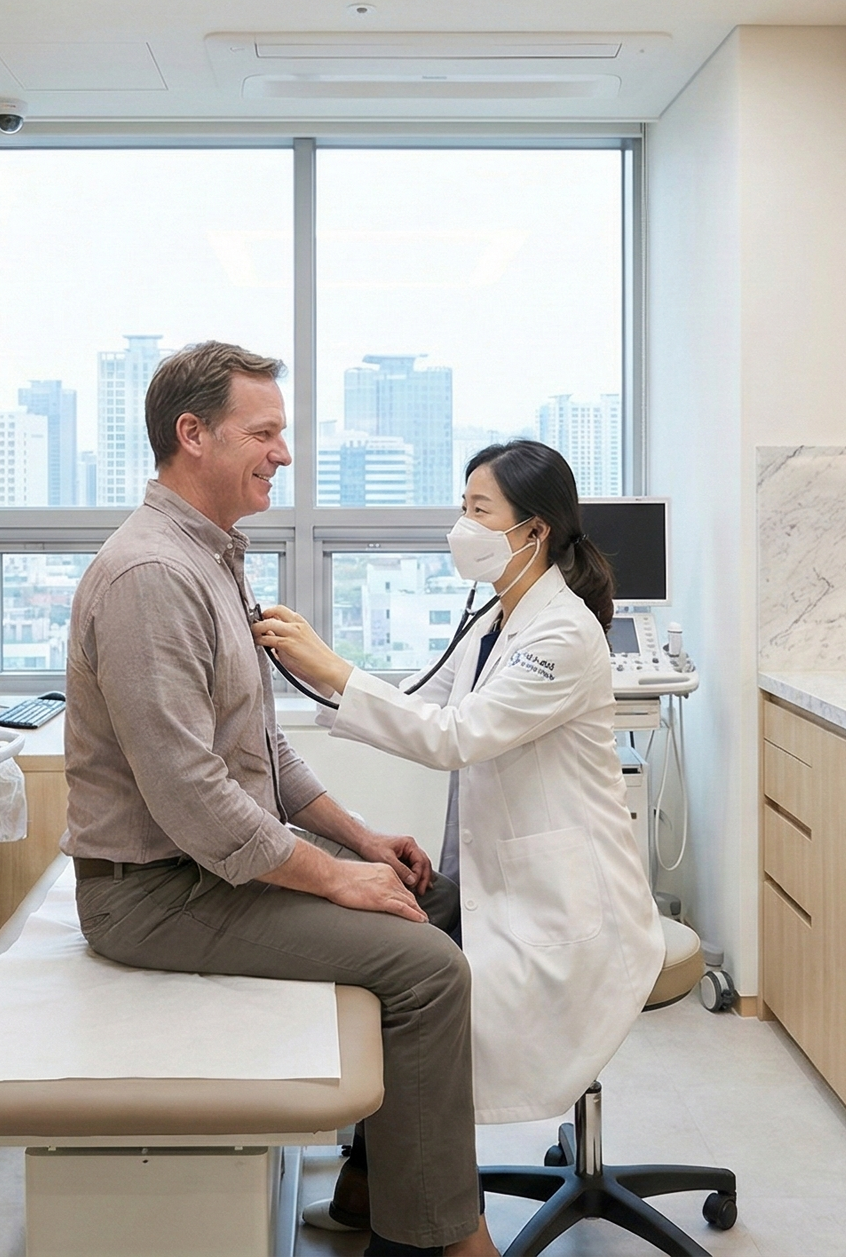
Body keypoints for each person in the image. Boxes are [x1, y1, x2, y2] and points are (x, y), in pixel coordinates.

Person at [59, 340, 500, 1257]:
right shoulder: (152, 577)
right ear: (193, 436)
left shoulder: (215, 559)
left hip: (206, 869)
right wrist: (335, 883)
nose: (284, 454)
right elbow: (192, 799)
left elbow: (260, 752)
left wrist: (361, 841)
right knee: (428, 971)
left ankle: (373, 1183)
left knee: (441, 903)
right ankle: (436, 1240)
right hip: (151, 894)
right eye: (264, 433)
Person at [255, 439, 666, 1227]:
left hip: (564, 910)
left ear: (534, 530)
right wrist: (301, 680)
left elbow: (455, 736)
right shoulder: (495, 618)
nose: (462, 526)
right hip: (495, 887)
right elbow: (418, 704)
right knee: (381, 949)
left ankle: (422, 1215)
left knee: (409, 989)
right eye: (463, 507)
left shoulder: (563, 634)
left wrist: (331, 668)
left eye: (480, 511)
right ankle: (371, 1183)